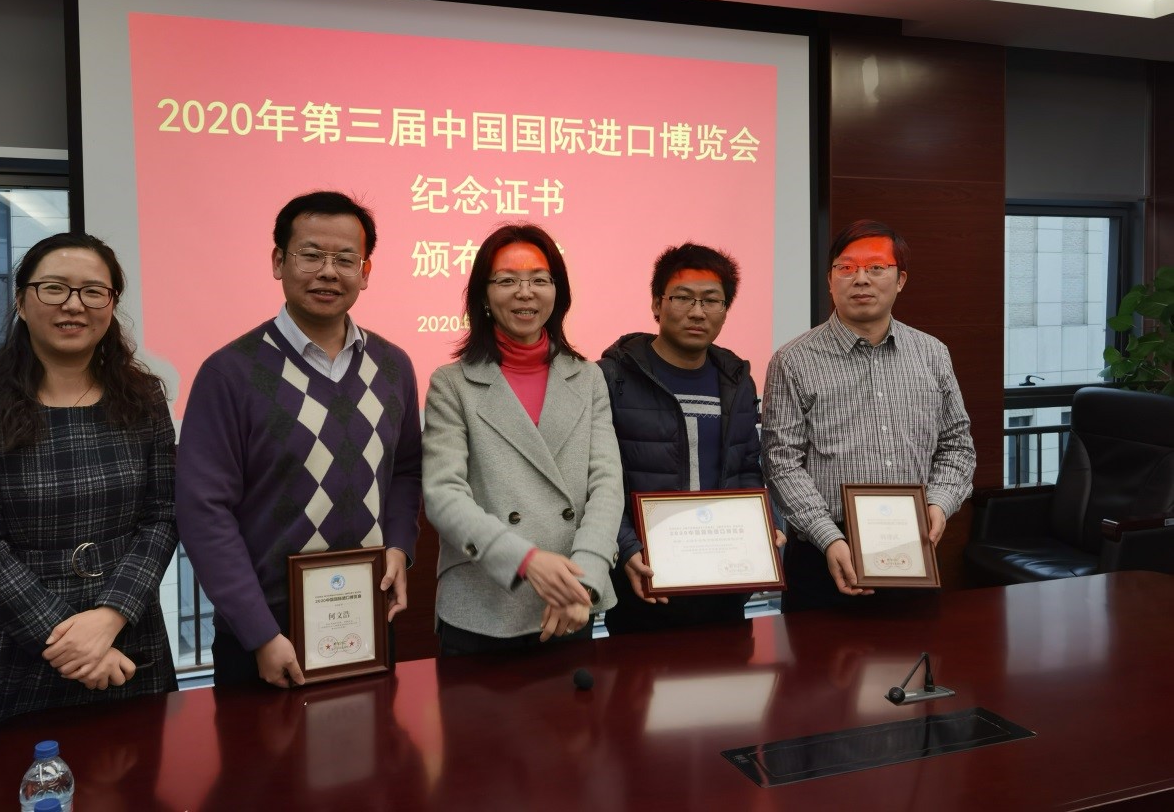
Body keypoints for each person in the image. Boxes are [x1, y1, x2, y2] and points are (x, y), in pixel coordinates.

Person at [0, 233, 178, 810]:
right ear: (21, 300)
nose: (74, 305)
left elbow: (164, 516)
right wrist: (69, 640)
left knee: (128, 788)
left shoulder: (143, 399)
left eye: (92, 291)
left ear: (112, 304)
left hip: (124, 632)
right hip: (6, 637)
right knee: (0, 793)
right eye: (54, 288)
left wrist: (109, 618)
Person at [176, 191, 421, 687]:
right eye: (311, 255)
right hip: (264, 637)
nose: (328, 272)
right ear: (278, 262)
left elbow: (405, 470)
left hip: (366, 621)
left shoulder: (393, 366)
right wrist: (260, 634)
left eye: (345, 259)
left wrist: (399, 546)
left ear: (365, 272)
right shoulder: (229, 372)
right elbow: (204, 512)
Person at [422, 223, 623, 655]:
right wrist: (526, 560)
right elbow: (443, 494)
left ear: (558, 292)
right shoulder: (451, 383)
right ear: (483, 295)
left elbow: (606, 486)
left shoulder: (588, 377)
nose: (525, 293)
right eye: (507, 281)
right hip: (483, 604)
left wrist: (585, 580)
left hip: (569, 602)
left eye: (539, 280)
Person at [761, 219, 976, 612]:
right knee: (817, 654)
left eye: (876, 267)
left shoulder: (932, 353)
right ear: (830, 280)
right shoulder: (792, 360)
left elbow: (956, 446)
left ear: (900, 279)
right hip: (823, 553)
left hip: (912, 547)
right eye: (846, 267)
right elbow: (781, 461)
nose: (860, 279)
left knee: (914, 649)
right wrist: (828, 537)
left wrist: (939, 504)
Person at [598, 242, 775, 634]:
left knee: (729, 672)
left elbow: (747, 467)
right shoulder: (612, 378)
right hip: (643, 580)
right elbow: (598, 481)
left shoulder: (737, 380)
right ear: (657, 303)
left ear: (725, 309)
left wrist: (759, 529)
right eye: (683, 298)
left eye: (711, 300)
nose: (698, 312)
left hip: (723, 584)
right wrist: (627, 547)